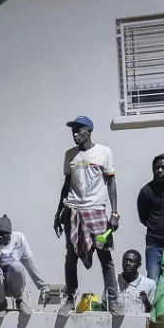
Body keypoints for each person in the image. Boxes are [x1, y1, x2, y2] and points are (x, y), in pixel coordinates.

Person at [53, 116, 121, 316]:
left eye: (79, 130)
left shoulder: (104, 152)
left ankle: (114, 299)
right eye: (72, 130)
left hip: (96, 209)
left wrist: (114, 213)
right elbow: (67, 184)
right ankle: (69, 299)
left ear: (89, 131)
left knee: (105, 255)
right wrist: (58, 211)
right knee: (71, 255)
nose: (75, 134)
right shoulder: (70, 155)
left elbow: (111, 183)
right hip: (73, 209)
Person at [109, 251, 156, 315]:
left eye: (131, 261)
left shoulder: (150, 284)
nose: (128, 263)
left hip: (138, 323)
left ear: (139, 265)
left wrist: (146, 302)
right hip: (115, 323)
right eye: (125, 260)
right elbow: (104, 306)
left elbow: (152, 313)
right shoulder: (113, 281)